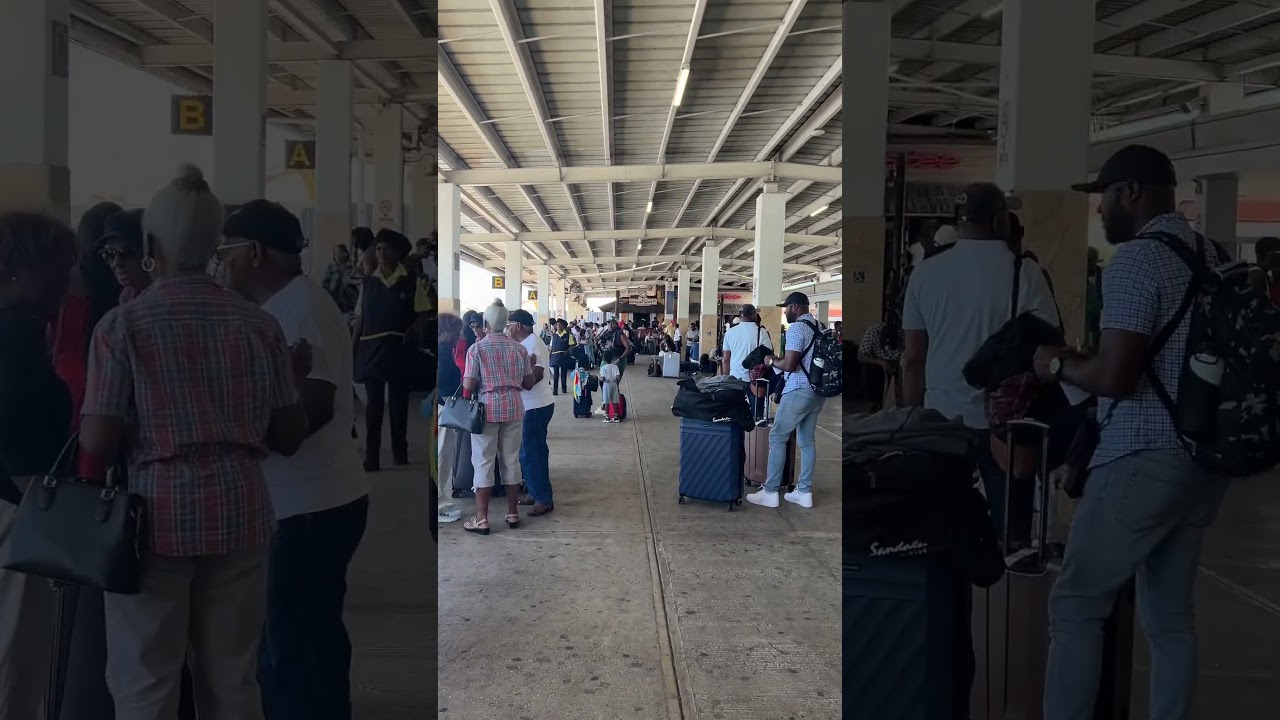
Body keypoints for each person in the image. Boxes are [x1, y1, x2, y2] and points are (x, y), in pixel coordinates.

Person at [78, 165, 311, 720]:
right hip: (241, 512)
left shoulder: (122, 326)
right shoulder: (259, 326)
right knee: (232, 679)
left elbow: (97, 439)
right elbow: (289, 436)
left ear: (152, 246)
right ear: (215, 245)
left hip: (154, 521)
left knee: (145, 681)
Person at [1032, 144, 1231, 719]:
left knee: (1075, 606)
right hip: (1202, 462)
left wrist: (1057, 364)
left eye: (1105, 199)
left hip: (1142, 457)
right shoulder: (1212, 254)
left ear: (1133, 193)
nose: (1099, 213)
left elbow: (1115, 377)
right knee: (1170, 618)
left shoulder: (1139, 261)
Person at [217, 200, 369, 720]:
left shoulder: (298, 310)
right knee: (307, 642)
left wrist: (226, 431)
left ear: (253, 252)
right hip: (306, 503)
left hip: (308, 507)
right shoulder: (281, 307)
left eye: (225, 253)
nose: (220, 266)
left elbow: (312, 411)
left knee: (292, 653)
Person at [898, 182, 1059, 531]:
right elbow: (1049, 351)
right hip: (1005, 425)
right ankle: (1003, 577)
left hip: (940, 419)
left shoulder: (925, 274)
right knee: (1006, 528)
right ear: (1000, 220)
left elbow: (913, 358)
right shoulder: (1025, 273)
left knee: (939, 527)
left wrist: (912, 421)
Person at [0, 211, 76, 720]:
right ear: (15, 270)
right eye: (55, 266)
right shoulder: (16, 335)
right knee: (17, 659)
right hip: (17, 512)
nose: (65, 279)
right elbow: (22, 433)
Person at [352, 228, 430, 471]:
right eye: (378, 248)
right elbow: (360, 318)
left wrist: (413, 330)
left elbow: (422, 314)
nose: (381, 253)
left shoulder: (411, 281)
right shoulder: (368, 283)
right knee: (373, 407)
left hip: (398, 350)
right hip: (372, 349)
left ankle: (400, 451)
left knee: (398, 404)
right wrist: (353, 348)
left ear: (398, 253)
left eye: (386, 248)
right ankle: (372, 456)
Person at [745, 292, 829, 509]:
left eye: (786, 308)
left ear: (795, 307)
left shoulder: (797, 328)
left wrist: (770, 360)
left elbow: (790, 365)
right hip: (817, 392)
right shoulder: (821, 327)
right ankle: (804, 492)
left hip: (798, 390)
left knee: (778, 437)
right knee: (807, 441)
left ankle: (771, 491)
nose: (784, 312)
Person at [461, 300, 537, 535]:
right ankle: (512, 513)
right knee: (511, 459)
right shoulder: (519, 349)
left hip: (487, 409)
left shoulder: (477, 349)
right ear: (506, 324)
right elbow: (529, 383)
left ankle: (482, 519)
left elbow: (469, 385)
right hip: (514, 407)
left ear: (485, 324)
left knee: (483, 460)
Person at [507, 309, 555, 516]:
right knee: (529, 454)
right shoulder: (525, 344)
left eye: (509, 325)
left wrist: (510, 378)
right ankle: (535, 493)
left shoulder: (532, 344)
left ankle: (544, 499)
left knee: (531, 454)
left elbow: (533, 379)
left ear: (518, 326)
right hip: (532, 405)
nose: (506, 329)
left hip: (534, 406)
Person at [322, 243, 361, 317]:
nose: (337, 255)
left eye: (339, 252)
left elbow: (360, 281)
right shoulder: (330, 268)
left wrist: (351, 281)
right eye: (335, 253)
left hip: (350, 305)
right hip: (334, 303)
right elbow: (325, 285)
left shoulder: (352, 268)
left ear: (345, 254)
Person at [548, 318, 576, 395]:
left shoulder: (568, 335)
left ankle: (564, 388)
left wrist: (568, 351)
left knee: (563, 372)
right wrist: (549, 355)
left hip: (563, 355)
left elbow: (572, 345)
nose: (558, 326)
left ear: (563, 326)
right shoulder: (554, 335)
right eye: (557, 324)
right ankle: (555, 390)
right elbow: (551, 346)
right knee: (555, 374)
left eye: (560, 324)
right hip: (555, 355)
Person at [600, 351, 622, 423]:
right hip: (614, 384)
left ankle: (607, 416)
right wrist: (615, 379)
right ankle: (616, 416)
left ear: (604, 359)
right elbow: (618, 377)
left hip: (606, 384)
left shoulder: (603, 368)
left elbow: (602, 379)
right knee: (615, 400)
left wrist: (599, 377)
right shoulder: (615, 367)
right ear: (612, 358)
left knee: (606, 401)